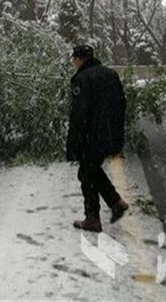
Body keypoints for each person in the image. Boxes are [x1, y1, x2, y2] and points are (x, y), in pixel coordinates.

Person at [66, 44, 129, 232]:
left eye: (73, 59)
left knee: (87, 172)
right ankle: (115, 203)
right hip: (111, 132)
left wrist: (74, 142)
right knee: (90, 170)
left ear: (77, 59)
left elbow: (79, 113)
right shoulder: (111, 74)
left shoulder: (81, 78)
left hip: (91, 136)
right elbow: (122, 104)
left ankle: (93, 218)